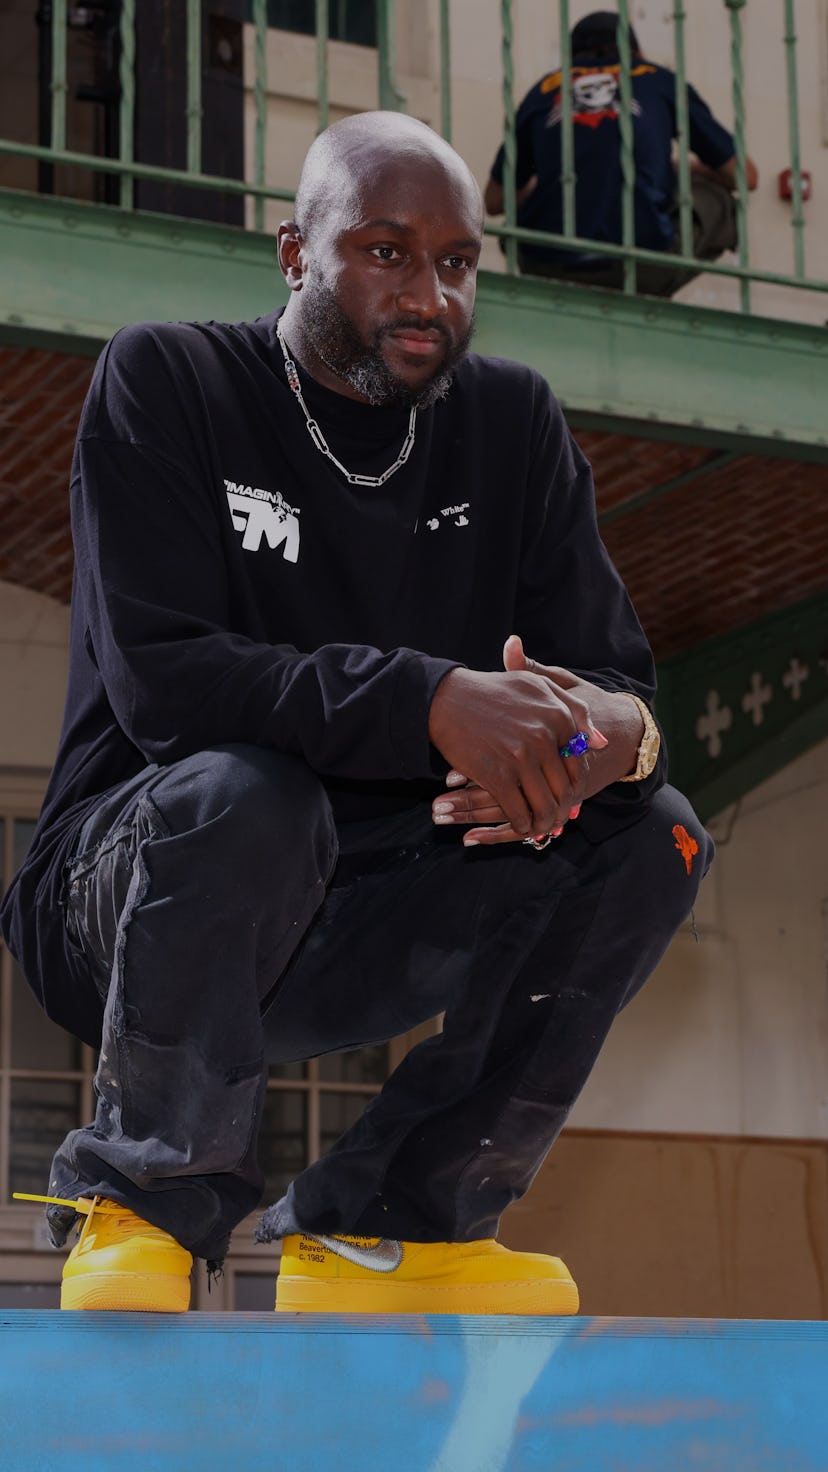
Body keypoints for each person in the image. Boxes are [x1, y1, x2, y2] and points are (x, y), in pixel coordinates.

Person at [0, 110, 712, 1316]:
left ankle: (394, 1224)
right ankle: (141, 1195)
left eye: (455, 261)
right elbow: (165, 682)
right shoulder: (169, 379)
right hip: (132, 891)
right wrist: (432, 700)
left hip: (366, 904)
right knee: (248, 792)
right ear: (295, 254)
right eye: (386, 251)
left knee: (658, 834)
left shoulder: (513, 427)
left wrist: (604, 746)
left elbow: (621, 691)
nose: (428, 291)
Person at [485, 9, 759, 296]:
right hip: (640, 264)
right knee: (719, 199)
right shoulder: (660, 79)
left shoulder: (543, 90)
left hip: (547, 261)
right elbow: (746, 177)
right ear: (636, 52)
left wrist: (549, 180)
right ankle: (651, 280)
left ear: (570, 58)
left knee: (522, 212)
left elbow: (494, 201)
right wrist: (685, 169)